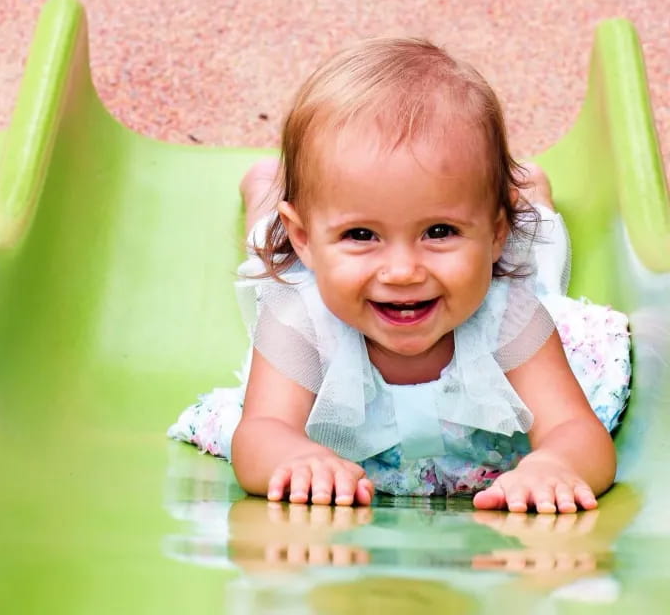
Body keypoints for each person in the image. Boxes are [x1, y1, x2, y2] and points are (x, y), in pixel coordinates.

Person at [169, 38, 630, 513]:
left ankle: (529, 194)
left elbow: (577, 432)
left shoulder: (510, 313)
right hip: (301, 261)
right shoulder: (296, 321)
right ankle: (266, 186)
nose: (404, 271)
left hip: (500, 261)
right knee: (268, 257)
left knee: (538, 265)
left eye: (439, 230)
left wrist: (556, 464)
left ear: (494, 233)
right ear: (305, 236)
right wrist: (295, 456)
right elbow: (261, 433)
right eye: (362, 234)